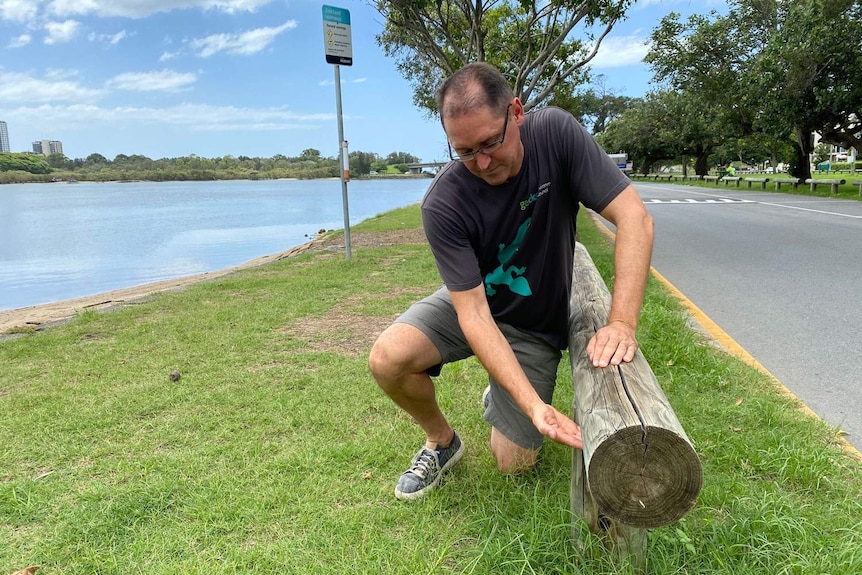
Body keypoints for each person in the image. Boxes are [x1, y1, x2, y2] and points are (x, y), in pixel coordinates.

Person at [368, 62, 654, 501]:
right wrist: (535, 406)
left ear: (516, 112)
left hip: (535, 324)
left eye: (490, 143)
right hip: (477, 303)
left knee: (513, 464)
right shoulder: (442, 203)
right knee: (387, 358)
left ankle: (502, 388)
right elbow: (474, 314)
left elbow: (634, 217)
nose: (481, 162)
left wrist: (621, 323)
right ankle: (442, 442)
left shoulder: (556, 134)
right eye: (464, 151)